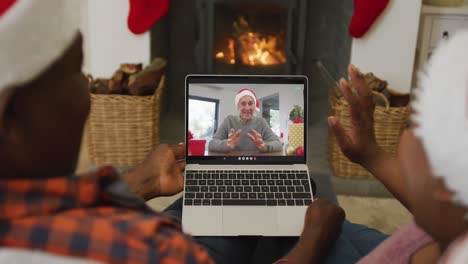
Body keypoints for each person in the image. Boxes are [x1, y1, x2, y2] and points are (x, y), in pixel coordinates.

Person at [0, 1, 347, 263]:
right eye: (78, 72)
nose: (88, 92)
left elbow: (277, 144)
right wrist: (311, 244)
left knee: (238, 199)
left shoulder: (260, 123)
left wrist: (146, 180)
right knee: (308, 206)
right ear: (11, 115)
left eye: (248, 106)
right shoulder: (152, 248)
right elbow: (212, 142)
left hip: (228, 181)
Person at [328, 31, 468, 263]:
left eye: (414, 123)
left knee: (298, 234)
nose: (407, 132)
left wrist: (308, 245)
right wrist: (373, 156)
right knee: (338, 226)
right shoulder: (451, 218)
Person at [208, 88, 282, 153]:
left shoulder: (261, 122)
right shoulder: (229, 120)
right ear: (238, 106)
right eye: (243, 104)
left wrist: (264, 147)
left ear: (254, 106)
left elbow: (278, 144)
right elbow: (212, 144)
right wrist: (227, 145)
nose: (247, 108)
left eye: (250, 103)